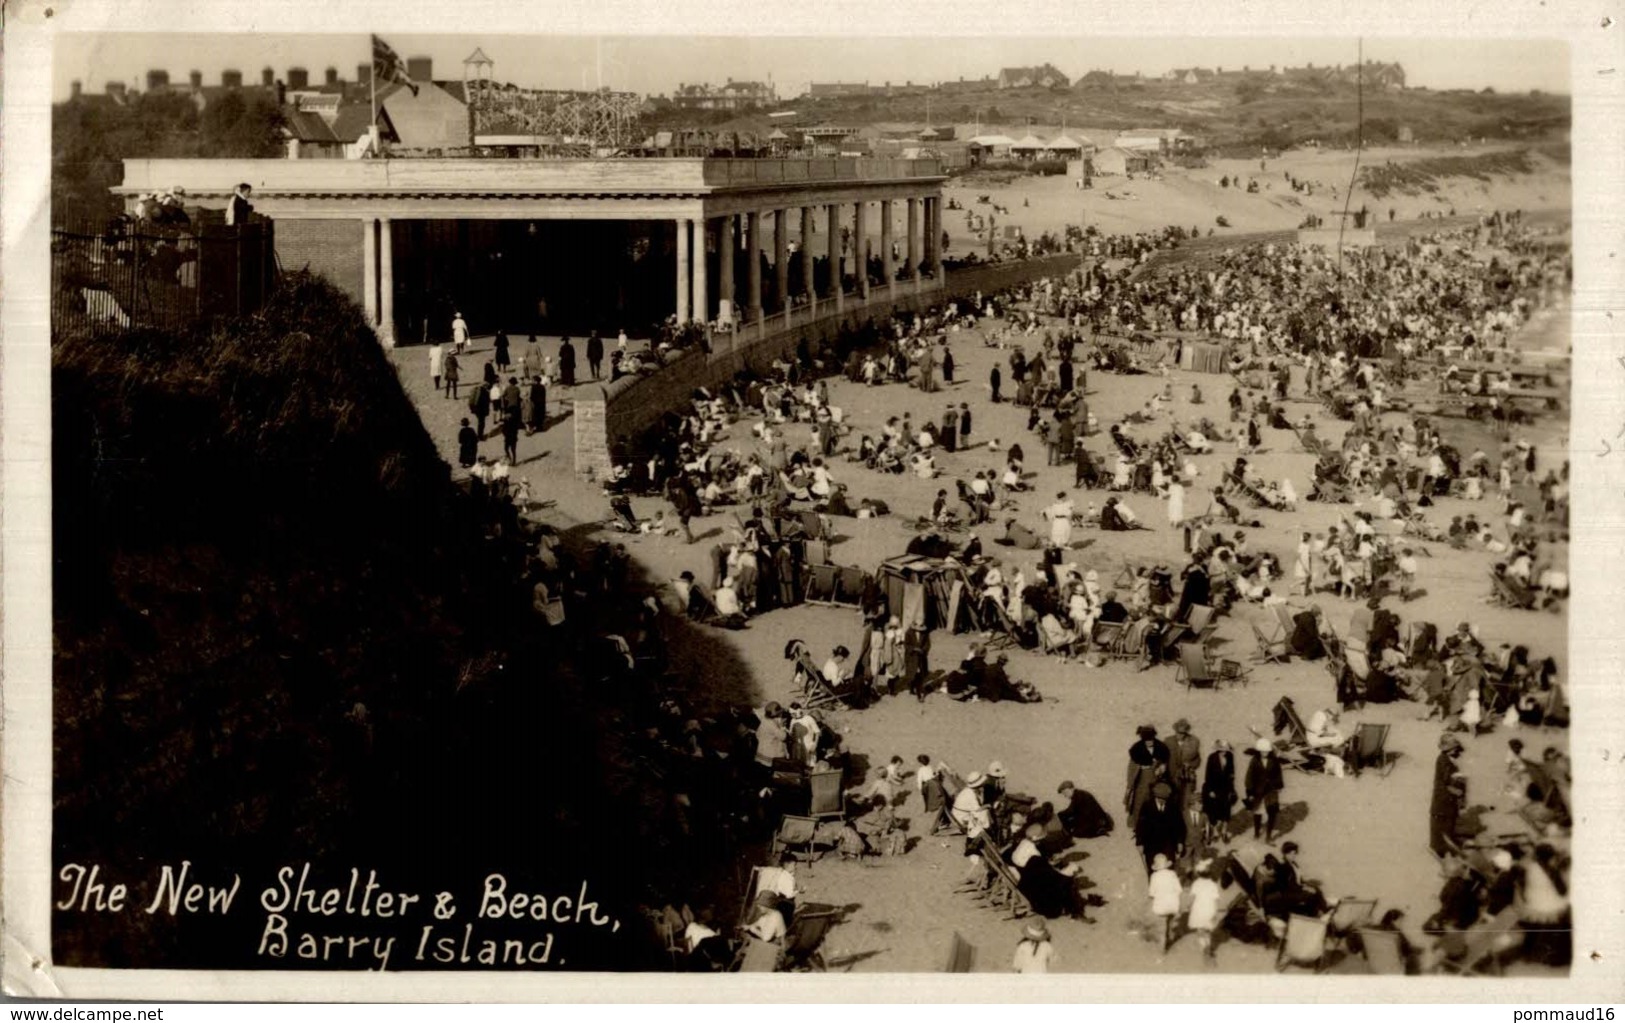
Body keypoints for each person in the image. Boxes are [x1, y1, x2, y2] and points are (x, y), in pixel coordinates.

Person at [1135, 782, 1186, 874]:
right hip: (1151, 843)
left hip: (1168, 843)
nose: (1163, 802)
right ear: (1155, 797)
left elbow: (1179, 825)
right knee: (1153, 868)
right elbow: (1140, 826)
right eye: (1160, 799)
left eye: (1165, 799)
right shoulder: (1147, 806)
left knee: (1169, 868)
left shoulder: (1173, 807)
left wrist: (1180, 842)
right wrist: (1140, 842)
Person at [1125, 724, 1171, 823]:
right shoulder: (1136, 749)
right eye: (1146, 741)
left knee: (1154, 799)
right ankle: (1137, 824)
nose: (1149, 743)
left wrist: (1161, 768)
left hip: (1157, 778)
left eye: (1151, 740)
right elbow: (1132, 767)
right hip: (1142, 779)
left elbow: (1164, 763)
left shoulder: (1161, 747)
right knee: (1140, 800)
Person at [1245, 738, 1285, 842]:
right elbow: (1249, 776)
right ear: (1259, 751)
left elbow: (1278, 774)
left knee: (1272, 813)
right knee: (1257, 812)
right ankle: (1257, 832)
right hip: (1258, 791)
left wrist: (1279, 786)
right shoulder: (1254, 761)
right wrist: (1249, 791)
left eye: (1267, 751)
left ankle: (1268, 836)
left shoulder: (1274, 760)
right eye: (1263, 751)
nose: (1265, 753)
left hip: (1271, 790)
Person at [1200, 740, 1237, 843]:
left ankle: (1224, 831)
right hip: (1214, 788)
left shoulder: (1230, 756)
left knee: (1226, 809)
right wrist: (1210, 790)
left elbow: (1231, 772)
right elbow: (1207, 775)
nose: (1224, 752)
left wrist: (1231, 787)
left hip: (1226, 787)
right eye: (1221, 750)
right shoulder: (1212, 758)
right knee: (1214, 810)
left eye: (1225, 750)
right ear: (1218, 750)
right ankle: (1216, 831)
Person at [1147, 852, 1183, 950]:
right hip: (1173, 905)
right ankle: (1170, 931)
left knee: (1161, 922)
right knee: (1170, 917)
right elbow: (1179, 890)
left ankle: (1163, 944)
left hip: (1161, 907)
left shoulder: (1154, 876)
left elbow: (1151, 894)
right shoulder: (1172, 874)